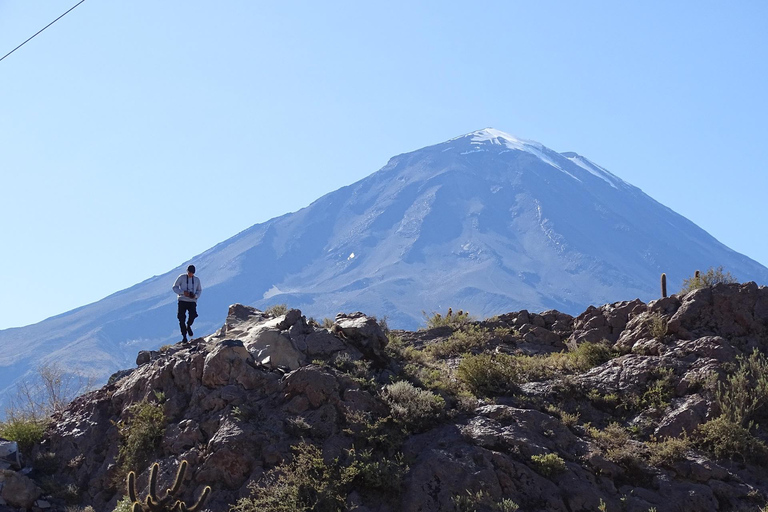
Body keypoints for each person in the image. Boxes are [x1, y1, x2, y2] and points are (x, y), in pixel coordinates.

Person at [172, 264, 202, 343]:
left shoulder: (196, 280)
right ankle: (184, 337)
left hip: (192, 301)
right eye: (189, 272)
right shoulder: (181, 277)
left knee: (193, 315)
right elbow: (174, 287)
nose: (190, 274)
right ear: (187, 271)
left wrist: (195, 296)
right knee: (181, 318)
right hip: (182, 300)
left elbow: (199, 290)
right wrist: (182, 292)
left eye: (192, 273)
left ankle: (188, 325)